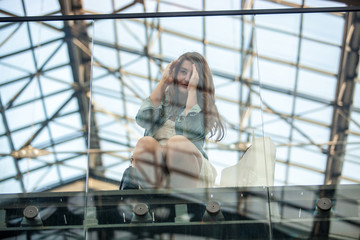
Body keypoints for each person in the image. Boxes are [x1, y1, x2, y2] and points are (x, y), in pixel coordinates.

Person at [132, 52, 225, 189]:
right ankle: (157, 201)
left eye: (193, 75)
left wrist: (193, 90)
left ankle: (184, 201)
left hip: (191, 173)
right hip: (158, 175)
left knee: (177, 143)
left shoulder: (203, 109)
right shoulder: (163, 102)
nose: (187, 79)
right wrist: (164, 81)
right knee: (145, 143)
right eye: (183, 72)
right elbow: (142, 119)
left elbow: (189, 133)